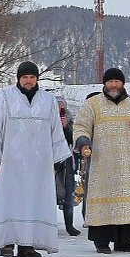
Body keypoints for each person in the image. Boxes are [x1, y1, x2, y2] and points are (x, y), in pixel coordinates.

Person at [0, 61, 73, 257]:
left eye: (31, 77)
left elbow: (56, 130)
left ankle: (27, 245)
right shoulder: (4, 97)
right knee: (8, 201)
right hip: (10, 162)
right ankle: (6, 243)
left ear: (36, 78)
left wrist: (57, 160)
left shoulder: (48, 101)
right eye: (25, 77)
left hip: (39, 165)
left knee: (33, 202)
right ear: (19, 79)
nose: (28, 81)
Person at [74, 67, 130, 253]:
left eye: (117, 81)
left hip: (128, 162)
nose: (114, 85)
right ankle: (101, 242)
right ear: (104, 83)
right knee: (104, 202)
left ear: (123, 83)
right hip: (103, 162)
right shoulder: (93, 104)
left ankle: (124, 241)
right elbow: (81, 125)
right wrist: (84, 142)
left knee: (126, 202)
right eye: (110, 81)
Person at [56, 97, 80, 236]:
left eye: (61, 107)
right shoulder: (46, 121)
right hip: (49, 161)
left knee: (68, 195)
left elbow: (73, 140)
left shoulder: (70, 122)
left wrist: (65, 127)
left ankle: (69, 225)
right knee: (50, 193)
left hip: (66, 162)